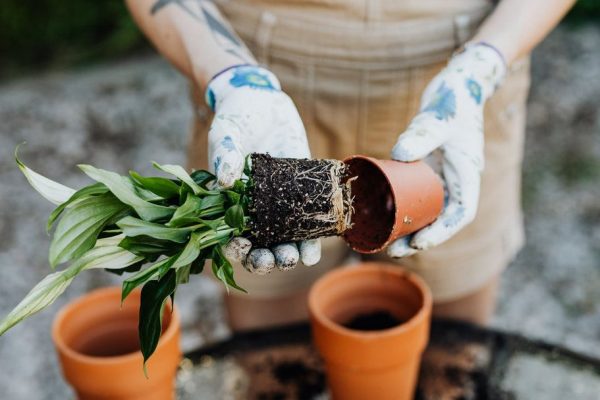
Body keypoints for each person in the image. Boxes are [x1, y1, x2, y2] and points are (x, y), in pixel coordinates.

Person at [126, 0, 575, 330]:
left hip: (453, 83)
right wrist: (230, 77)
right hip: (261, 75)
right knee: (274, 354)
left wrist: (483, 65)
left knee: (449, 353)